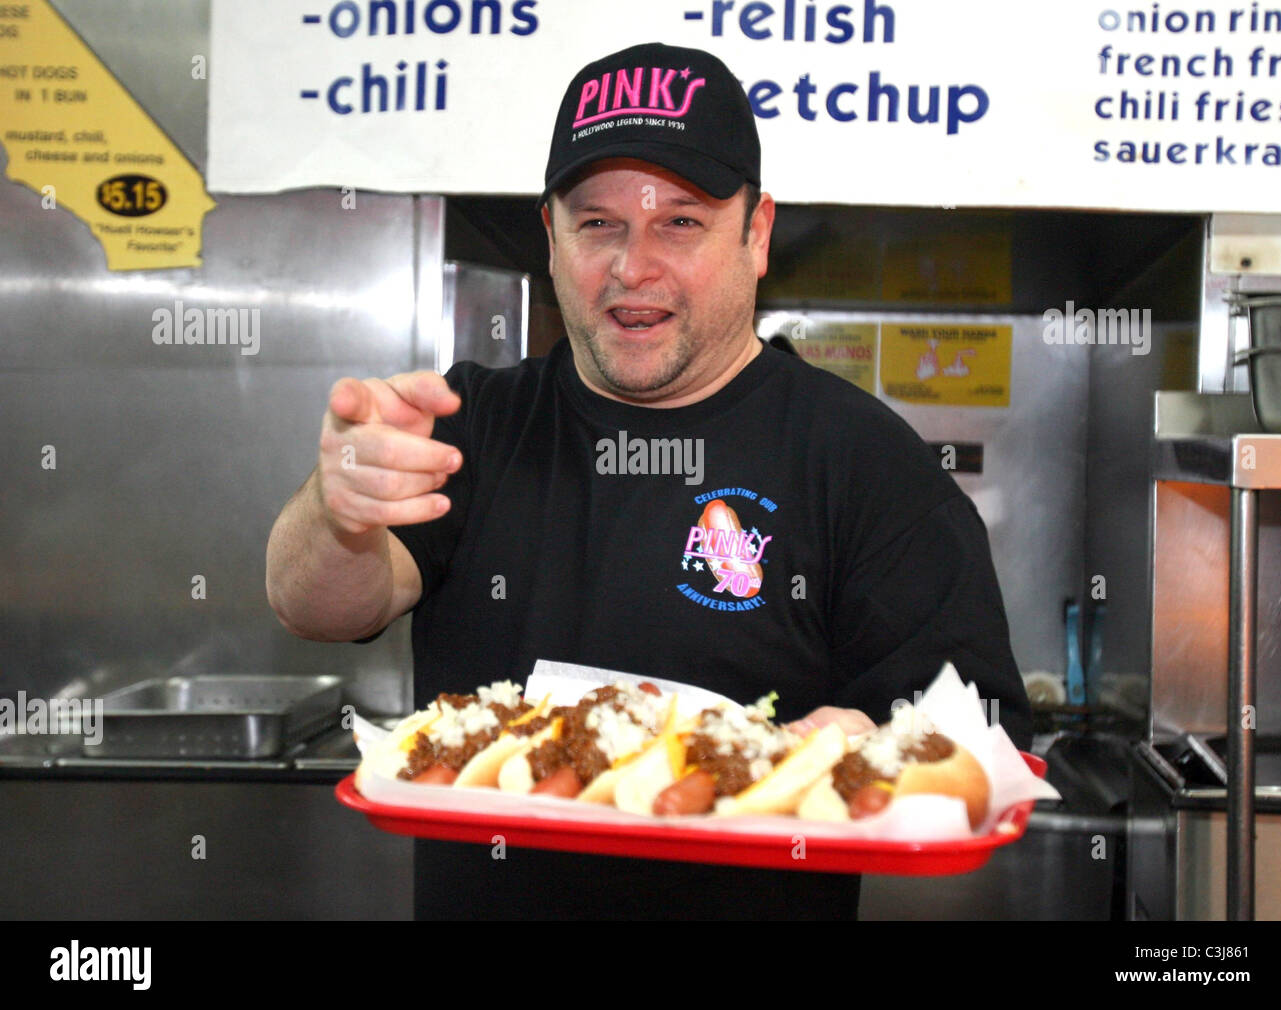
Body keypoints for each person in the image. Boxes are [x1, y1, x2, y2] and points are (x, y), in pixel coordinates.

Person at [266, 41, 1031, 920]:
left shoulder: (866, 461)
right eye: (598, 224)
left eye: (681, 221)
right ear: (549, 236)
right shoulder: (466, 423)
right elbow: (315, 606)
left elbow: (989, 737)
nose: (634, 267)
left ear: (757, 234)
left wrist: (860, 738)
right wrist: (337, 513)